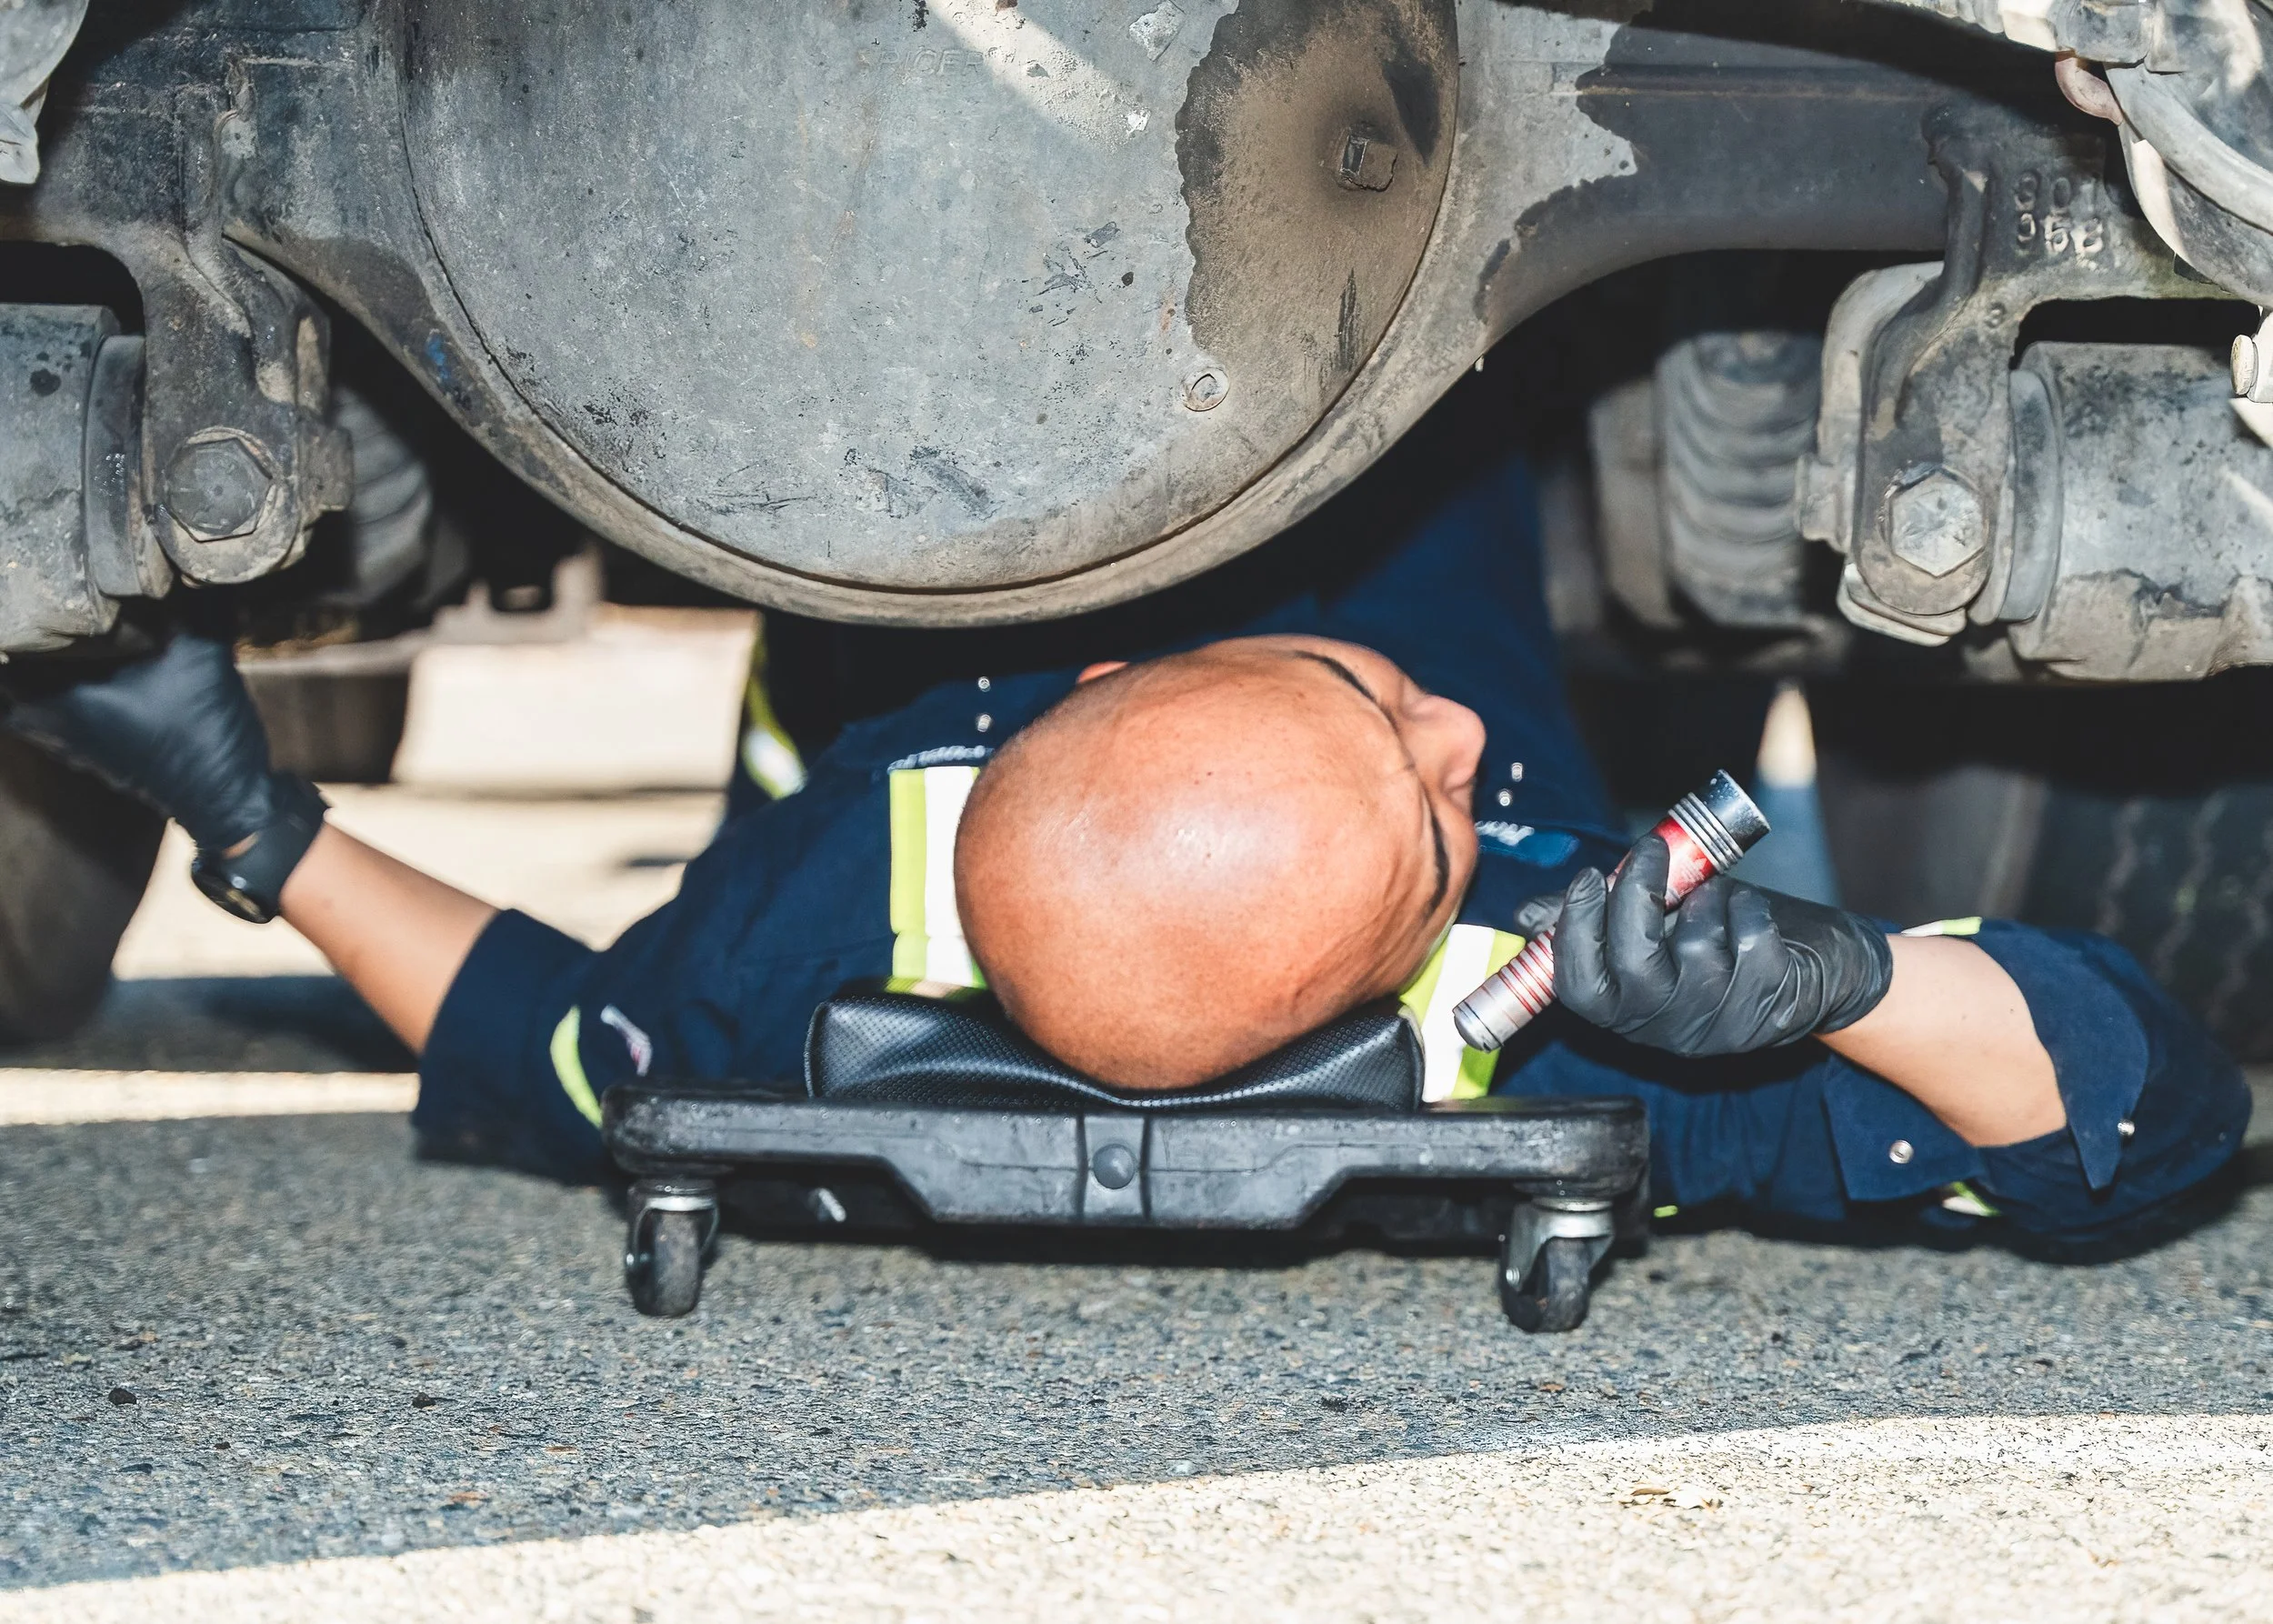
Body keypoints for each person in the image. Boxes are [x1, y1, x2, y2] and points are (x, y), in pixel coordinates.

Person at [2, 459, 2249, 1258]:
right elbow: (2149, 1125)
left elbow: (542, 1030)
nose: (1448, 733)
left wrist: (244, 805)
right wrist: (1847, 987)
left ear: (1061, 708)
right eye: (1430, 800)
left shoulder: (781, 972)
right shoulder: (1548, 1031)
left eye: (1368, 706)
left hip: (881, 518)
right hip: (1455, 441)